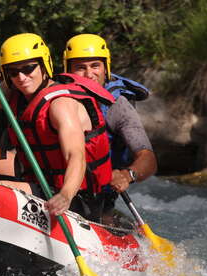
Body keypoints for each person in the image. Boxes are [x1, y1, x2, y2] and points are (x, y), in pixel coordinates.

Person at [0, 33, 114, 221]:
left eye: (28, 68)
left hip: (75, 197)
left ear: (44, 65)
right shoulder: (15, 91)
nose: (21, 77)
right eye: (13, 72)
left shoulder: (61, 105)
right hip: (37, 180)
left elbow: (75, 155)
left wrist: (66, 195)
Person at [63, 34, 158, 224]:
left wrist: (127, 175)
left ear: (105, 68)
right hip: (59, 186)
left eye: (95, 66)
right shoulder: (58, 97)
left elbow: (148, 158)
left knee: (104, 217)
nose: (89, 74)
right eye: (80, 67)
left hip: (98, 194)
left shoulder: (118, 106)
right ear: (68, 70)